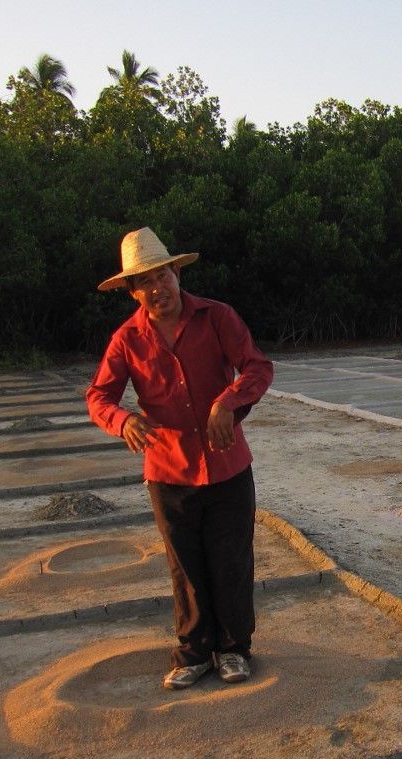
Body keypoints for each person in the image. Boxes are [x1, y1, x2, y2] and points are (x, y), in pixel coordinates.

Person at [87, 227, 274, 690]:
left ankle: (233, 650)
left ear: (176, 273)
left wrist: (227, 403)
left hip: (227, 464)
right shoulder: (127, 339)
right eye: (144, 281)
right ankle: (193, 653)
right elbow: (99, 396)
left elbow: (257, 367)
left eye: (163, 275)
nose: (157, 287)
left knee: (230, 560)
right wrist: (122, 420)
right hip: (167, 471)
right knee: (185, 565)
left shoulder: (217, 317)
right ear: (132, 292)